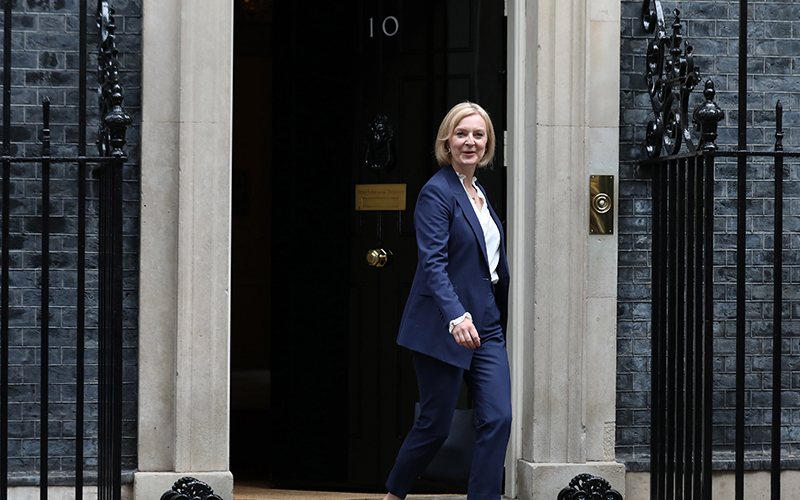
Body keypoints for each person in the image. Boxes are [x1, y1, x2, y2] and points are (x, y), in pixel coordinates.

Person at [383, 102, 512, 500]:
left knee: (499, 418)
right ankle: (394, 495)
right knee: (436, 425)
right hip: (445, 325)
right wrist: (456, 316)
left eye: (478, 134)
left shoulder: (478, 192)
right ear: (447, 142)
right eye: (461, 134)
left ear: (488, 142)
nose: (470, 141)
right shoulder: (436, 193)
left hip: (486, 323)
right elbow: (433, 264)